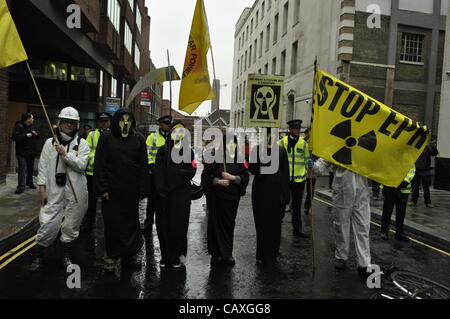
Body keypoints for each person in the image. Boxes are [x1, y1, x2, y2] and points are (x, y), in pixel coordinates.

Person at [29, 107, 89, 271]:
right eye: (65, 122)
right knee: (47, 223)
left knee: (71, 225)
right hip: (54, 188)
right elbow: (42, 166)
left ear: (77, 124)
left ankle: (66, 255)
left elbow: (81, 165)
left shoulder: (82, 144)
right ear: (60, 123)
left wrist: (65, 154)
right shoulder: (50, 143)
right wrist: (41, 188)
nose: (68, 125)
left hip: (76, 190)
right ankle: (39, 255)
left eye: (72, 123)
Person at [94, 109, 149, 272]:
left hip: (131, 192)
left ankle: (130, 255)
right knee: (112, 224)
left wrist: (143, 189)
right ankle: (111, 256)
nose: (125, 123)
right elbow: (100, 165)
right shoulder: (106, 138)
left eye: (129, 120)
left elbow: (143, 166)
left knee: (131, 225)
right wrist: (102, 188)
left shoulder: (139, 138)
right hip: (112, 191)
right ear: (116, 121)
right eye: (122, 120)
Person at [311, 158, 371, 276]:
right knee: (341, 225)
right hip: (342, 191)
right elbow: (323, 162)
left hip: (361, 192)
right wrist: (315, 166)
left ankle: (364, 263)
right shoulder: (337, 143)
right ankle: (341, 257)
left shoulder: (366, 142)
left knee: (363, 227)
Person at [154, 121, 197, 269]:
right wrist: (161, 190)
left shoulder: (188, 152)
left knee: (178, 226)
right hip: (165, 196)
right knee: (163, 226)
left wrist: (174, 173)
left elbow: (191, 171)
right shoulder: (162, 151)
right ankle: (165, 256)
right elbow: (158, 174)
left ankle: (176, 255)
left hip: (181, 195)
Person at [201, 135, 249, 266]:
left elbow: (245, 176)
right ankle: (215, 253)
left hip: (232, 199)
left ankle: (227, 254)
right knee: (215, 225)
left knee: (228, 225)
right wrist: (218, 181)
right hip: (216, 198)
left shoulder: (239, 159)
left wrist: (233, 178)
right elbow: (205, 176)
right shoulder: (214, 157)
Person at [249, 135, 290, 264]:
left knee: (276, 225)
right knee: (261, 225)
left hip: (276, 194)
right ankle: (261, 254)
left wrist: (285, 196)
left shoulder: (281, 150)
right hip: (261, 193)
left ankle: (273, 253)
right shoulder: (256, 149)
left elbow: (285, 174)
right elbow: (252, 168)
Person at [80, 112, 112, 233]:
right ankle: (89, 222)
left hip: (107, 175)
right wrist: (96, 161)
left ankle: (108, 225)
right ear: (98, 122)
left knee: (108, 201)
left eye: (106, 121)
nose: (103, 123)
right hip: (92, 174)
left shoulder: (113, 135)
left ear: (109, 121)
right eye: (101, 121)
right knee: (91, 201)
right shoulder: (92, 135)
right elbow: (86, 151)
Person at [278, 119, 310, 237]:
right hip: (284, 180)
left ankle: (297, 230)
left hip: (299, 180)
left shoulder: (304, 143)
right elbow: (276, 160)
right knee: (281, 205)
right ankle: (277, 228)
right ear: (290, 129)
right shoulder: (282, 142)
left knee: (296, 207)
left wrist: (310, 164)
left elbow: (307, 159)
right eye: (295, 128)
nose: (297, 130)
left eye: (298, 128)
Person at [142, 115, 172, 233]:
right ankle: (148, 223)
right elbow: (147, 153)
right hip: (153, 173)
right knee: (152, 200)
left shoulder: (173, 137)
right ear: (160, 124)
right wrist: (151, 165)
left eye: (169, 123)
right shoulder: (152, 137)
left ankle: (165, 224)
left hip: (167, 174)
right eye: (166, 123)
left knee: (166, 200)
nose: (168, 125)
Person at [380, 167, 416, 242]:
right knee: (387, 211)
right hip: (390, 186)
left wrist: (405, 181)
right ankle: (384, 231)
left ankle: (399, 233)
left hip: (403, 189)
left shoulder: (409, 156)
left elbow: (412, 170)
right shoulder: (390, 156)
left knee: (401, 213)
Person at [11, 113, 39, 194]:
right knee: (22, 170)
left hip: (31, 152)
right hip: (22, 152)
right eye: (32, 118)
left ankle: (29, 182)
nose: (33, 119)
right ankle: (21, 186)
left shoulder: (31, 126)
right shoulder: (19, 126)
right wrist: (26, 135)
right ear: (28, 119)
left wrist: (36, 135)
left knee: (30, 169)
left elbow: (35, 137)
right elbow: (15, 137)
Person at [410, 141, 439, 208]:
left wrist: (433, 147)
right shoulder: (415, 147)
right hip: (416, 170)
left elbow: (434, 153)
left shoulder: (428, 148)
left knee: (426, 188)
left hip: (425, 171)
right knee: (415, 188)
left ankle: (428, 202)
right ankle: (414, 201)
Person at [303, 127, 316, 215]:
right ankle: (292, 205)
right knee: (296, 189)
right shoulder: (303, 142)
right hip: (301, 169)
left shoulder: (316, 143)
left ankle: (307, 207)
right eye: (308, 133)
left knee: (310, 190)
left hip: (311, 170)